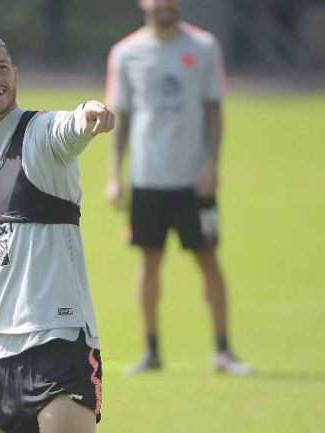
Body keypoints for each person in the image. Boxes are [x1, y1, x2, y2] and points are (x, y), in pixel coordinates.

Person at [0, 33, 115, 433]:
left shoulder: (41, 134)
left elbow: (69, 127)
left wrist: (89, 112)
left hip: (57, 341)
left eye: (2, 67)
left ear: (15, 75)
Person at [105, 0, 253, 375]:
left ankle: (223, 350)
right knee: (149, 262)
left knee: (208, 259)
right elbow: (120, 116)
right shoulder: (125, 53)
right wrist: (113, 175)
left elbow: (214, 109)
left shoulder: (203, 47)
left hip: (193, 181)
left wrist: (211, 164)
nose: (164, 4)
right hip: (147, 179)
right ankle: (151, 351)